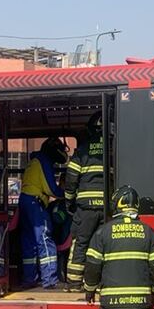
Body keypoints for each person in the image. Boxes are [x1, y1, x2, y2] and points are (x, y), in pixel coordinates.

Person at [19, 137, 68, 289]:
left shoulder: (33, 161)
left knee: (29, 242)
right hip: (36, 204)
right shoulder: (43, 161)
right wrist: (66, 194)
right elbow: (50, 188)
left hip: (25, 202)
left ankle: (29, 279)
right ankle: (50, 280)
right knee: (45, 239)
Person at [64, 112, 105, 291]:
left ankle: (74, 283)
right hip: (107, 207)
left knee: (81, 242)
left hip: (86, 207)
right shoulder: (113, 149)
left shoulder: (82, 150)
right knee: (102, 246)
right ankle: (99, 283)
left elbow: (71, 179)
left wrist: (68, 201)